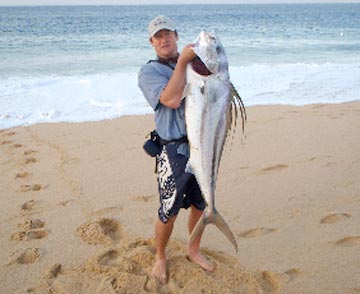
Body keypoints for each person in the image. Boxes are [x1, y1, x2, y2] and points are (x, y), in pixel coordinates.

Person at [138, 15, 215, 284]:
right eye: (158, 36)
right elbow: (170, 99)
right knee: (168, 210)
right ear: (151, 42)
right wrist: (183, 61)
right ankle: (160, 256)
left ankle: (193, 250)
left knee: (200, 205)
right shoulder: (150, 72)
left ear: (177, 35)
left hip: (201, 145)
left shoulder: (196, 64)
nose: (164, 39)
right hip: (172, 151)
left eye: (167, 33)